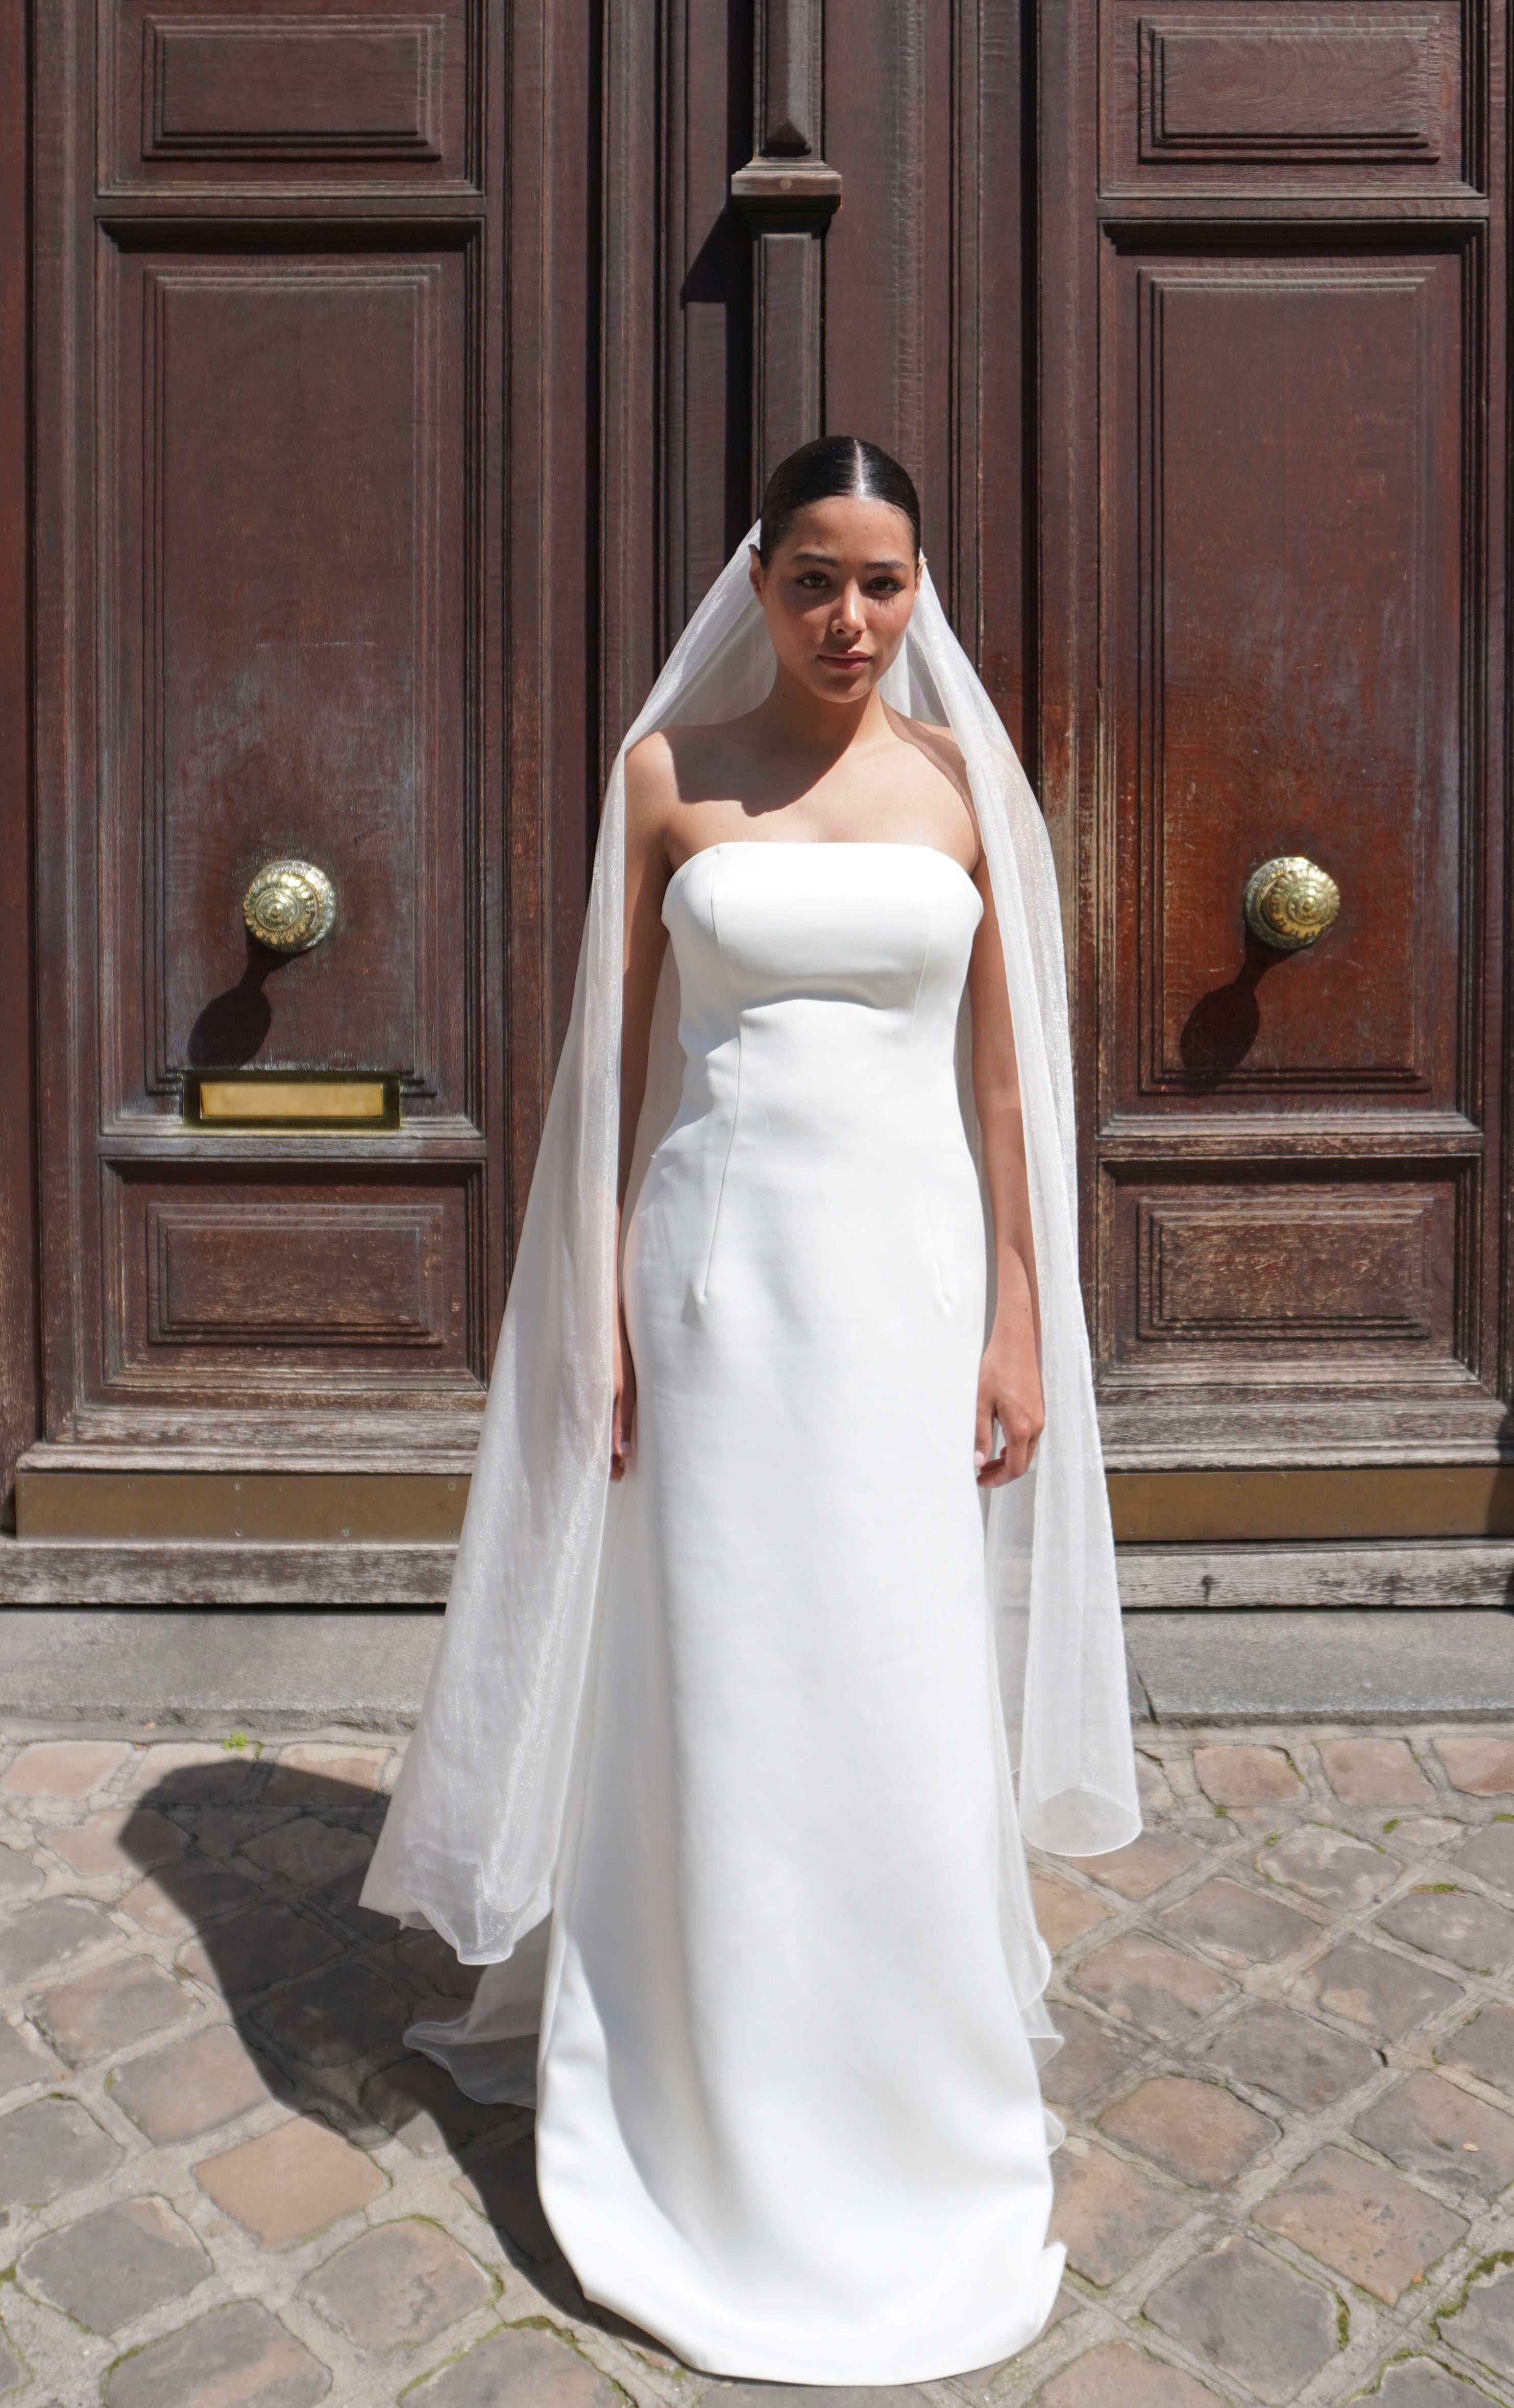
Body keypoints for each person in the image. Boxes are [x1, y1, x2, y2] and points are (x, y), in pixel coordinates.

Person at [362, 436, 1139, 2385]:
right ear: (762, 580)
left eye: (883, 583)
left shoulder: (965, 794)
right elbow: (613, 1074)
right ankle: (698, 2088)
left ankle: (905, 2086)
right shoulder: (664, 778)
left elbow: (998, 1089)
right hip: (715, 1291)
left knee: (885, 1667)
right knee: (722, 1667)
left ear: (920, 588)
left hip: (904, 1295)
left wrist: (1024, 1317)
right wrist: (600, 1312)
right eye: (815, 580)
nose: (850, 620)